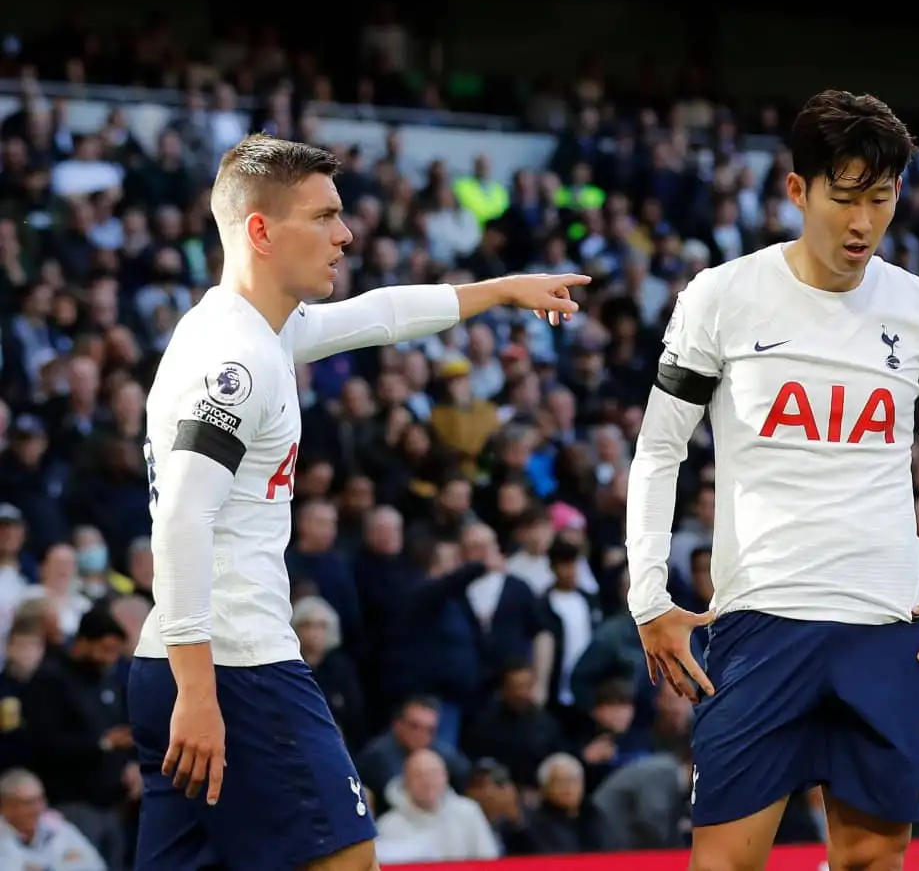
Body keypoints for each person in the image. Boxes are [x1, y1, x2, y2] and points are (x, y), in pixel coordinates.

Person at [127, 133, 588, 871]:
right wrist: (200, 690)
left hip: (175, 662)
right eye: (325, 216)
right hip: (234, 665)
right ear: (261, 231)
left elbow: (380, 316)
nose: (346, 233)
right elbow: (182, 515)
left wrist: (503, 290)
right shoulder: (237, 361)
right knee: (348, 857)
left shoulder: (244, 327)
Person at [624, 90, 919, 871]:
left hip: (887, 626)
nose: (863, 222)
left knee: (871, 860)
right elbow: (660, 450)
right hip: (762, 621)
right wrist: (647, 598)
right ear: (798, 191)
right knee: (725, 862)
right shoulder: (721, 297)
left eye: (881, 198)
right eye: (845, 197)